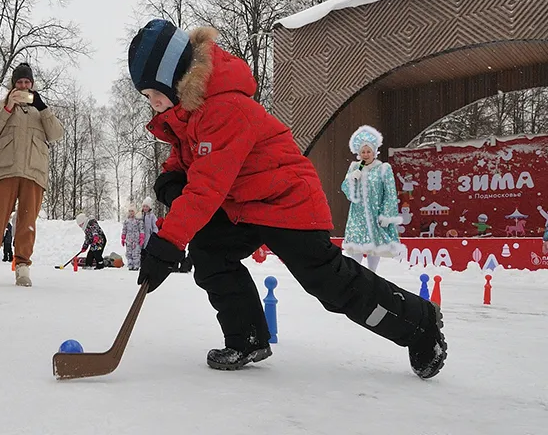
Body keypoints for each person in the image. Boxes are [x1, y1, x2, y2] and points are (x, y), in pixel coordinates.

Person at [128, 19, 447, 378]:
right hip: (245, 207)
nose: (153, 104)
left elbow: (206, 187)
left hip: (287, 200)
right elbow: (189, 156)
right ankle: (247, 337)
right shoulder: (190, 111)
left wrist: (167, 242)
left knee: (328, 284)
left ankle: (419, 322)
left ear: (177, 78)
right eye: (147, 98)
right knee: (210, 251)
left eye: (156, 93)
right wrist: (172, 177)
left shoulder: (224, 107)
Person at [0, 63, 64, 287]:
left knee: (27, 222)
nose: (23, 86)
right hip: (6, 171)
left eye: (27, 82)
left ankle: (23, 267)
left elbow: (56, 134)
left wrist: (43, 108)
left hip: (33, 173)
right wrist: (7, 107)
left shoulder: (40, 111)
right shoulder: (3, 106)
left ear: (32, 85)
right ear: (13, 85)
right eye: (19, 82)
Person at [341, 126, 404, 273]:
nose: (366, 154)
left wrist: (386, 214)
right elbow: (347, 191)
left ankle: (372, 274)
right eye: (363, 152)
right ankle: (356, 275)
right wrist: (352, 180)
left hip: (375, 213)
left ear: (374, 152)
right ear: (358, 153)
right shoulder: (354, 168)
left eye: (368, 151)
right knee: (356, 245)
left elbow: (390, 193)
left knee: (374, 246)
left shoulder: (383, 168)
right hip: (357, 215)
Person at [121, 205, 145, 270]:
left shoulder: (138, 220)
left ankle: (136, 265)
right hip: (128, 240)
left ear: (135, 212)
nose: (131, 212)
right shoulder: (126, 221)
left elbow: (141, 229)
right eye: (130, 211)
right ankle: (130, 265)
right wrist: (123, 238)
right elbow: (124, 229)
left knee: (136, 253)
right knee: (129, 253)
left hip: (136, 240)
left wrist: (142, 237)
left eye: (132, 211)